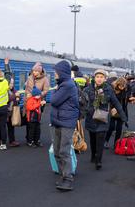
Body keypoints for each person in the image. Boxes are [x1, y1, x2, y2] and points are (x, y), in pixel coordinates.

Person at [83, 69, 127, 170]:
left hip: (103, 118)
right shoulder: (88, 89)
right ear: (94, 77)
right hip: (91, 117)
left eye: (101, 77)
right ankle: (93, 155)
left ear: (105, 78)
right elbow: (82, 103)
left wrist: (123, 117)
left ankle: (98, 160)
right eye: (97, 77)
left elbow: (116, 103)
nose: (99, 79)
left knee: (100, 139)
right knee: (93, 139)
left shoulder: (108, 89)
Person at [50, 60, 79, 191]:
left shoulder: (67, 85)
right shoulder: (63, 84)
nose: (54, 74)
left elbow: (54, 101)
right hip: (59, 122)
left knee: (64, 151)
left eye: (56, 71)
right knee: (57, 151)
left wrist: (54, 91)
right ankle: (64, 175)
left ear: (61, 72)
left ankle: (68, 179)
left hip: (66, 123)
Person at [24, 62, 49, 146]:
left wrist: (39, 95)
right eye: (33, 71)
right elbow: (27, 89)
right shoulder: (30, 78)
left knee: (37, 122)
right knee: (29, 122)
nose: (33, 72)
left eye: (35, 71)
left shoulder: (45, 79)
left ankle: (36, 140)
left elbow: (46, 90)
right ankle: (29, 139)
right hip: (29, 101)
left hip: (39, 101)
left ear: (39, 72)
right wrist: (28, 95)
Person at [104, 77, 129, 148]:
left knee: (119, 129)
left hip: (121, 111)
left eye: (124, 86)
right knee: (111, 127)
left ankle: (116, 144)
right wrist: (112, 107)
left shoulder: (125, 91)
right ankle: (106, 141)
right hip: (113, 111)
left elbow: (125, 103)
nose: (122, 87)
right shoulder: (112, 90)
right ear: (117, 84)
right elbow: (109, 100)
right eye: (121, 86)